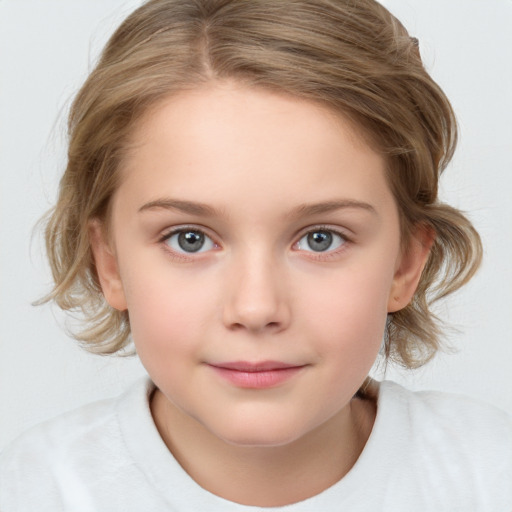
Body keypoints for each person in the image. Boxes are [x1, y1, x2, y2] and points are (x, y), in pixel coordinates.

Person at [0, 0, 510, 509]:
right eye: (189, 239)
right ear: (108, 263)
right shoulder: (34, 490)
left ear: (405, 265)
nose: (256, 308)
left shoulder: (489, 474)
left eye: (320, 239)